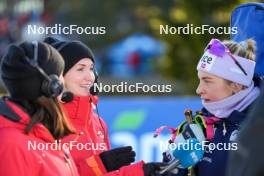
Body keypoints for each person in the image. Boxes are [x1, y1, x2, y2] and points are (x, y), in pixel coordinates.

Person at [44, 37, 165, 176]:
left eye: (91, 69)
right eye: (80, 69)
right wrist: (99, 165)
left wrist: (140, 172)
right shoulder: (48, 121)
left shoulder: (98, 123)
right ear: (59, 77)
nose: (89, 77)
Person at [164, 38, 260, 176]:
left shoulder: (258, 125)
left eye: (207, 81)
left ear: (236, 85)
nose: (198, 90)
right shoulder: (199, 124)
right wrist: (173, 164)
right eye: (200, 79)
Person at [0, 41, 79, 175]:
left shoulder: (44, 133)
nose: (64, 81)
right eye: (60, 74)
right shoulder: (11, 144)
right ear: (51, 86)